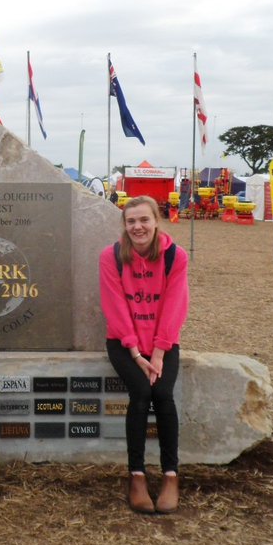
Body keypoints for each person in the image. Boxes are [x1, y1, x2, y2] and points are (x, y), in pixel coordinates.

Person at [99, 195, 190, 514]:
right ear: (124, 225)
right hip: (125, 343)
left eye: (143, 220)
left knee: (163, 395)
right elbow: (114, 305)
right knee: (140, 393)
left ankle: (170, 476)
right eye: (131, 221)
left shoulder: (175, 257)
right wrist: (137, 353)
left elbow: (175, 305)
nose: (137, 227)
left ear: (156, 221)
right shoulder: (111, 256)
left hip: (163, 342)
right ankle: (136, 475)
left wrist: (160, 353)